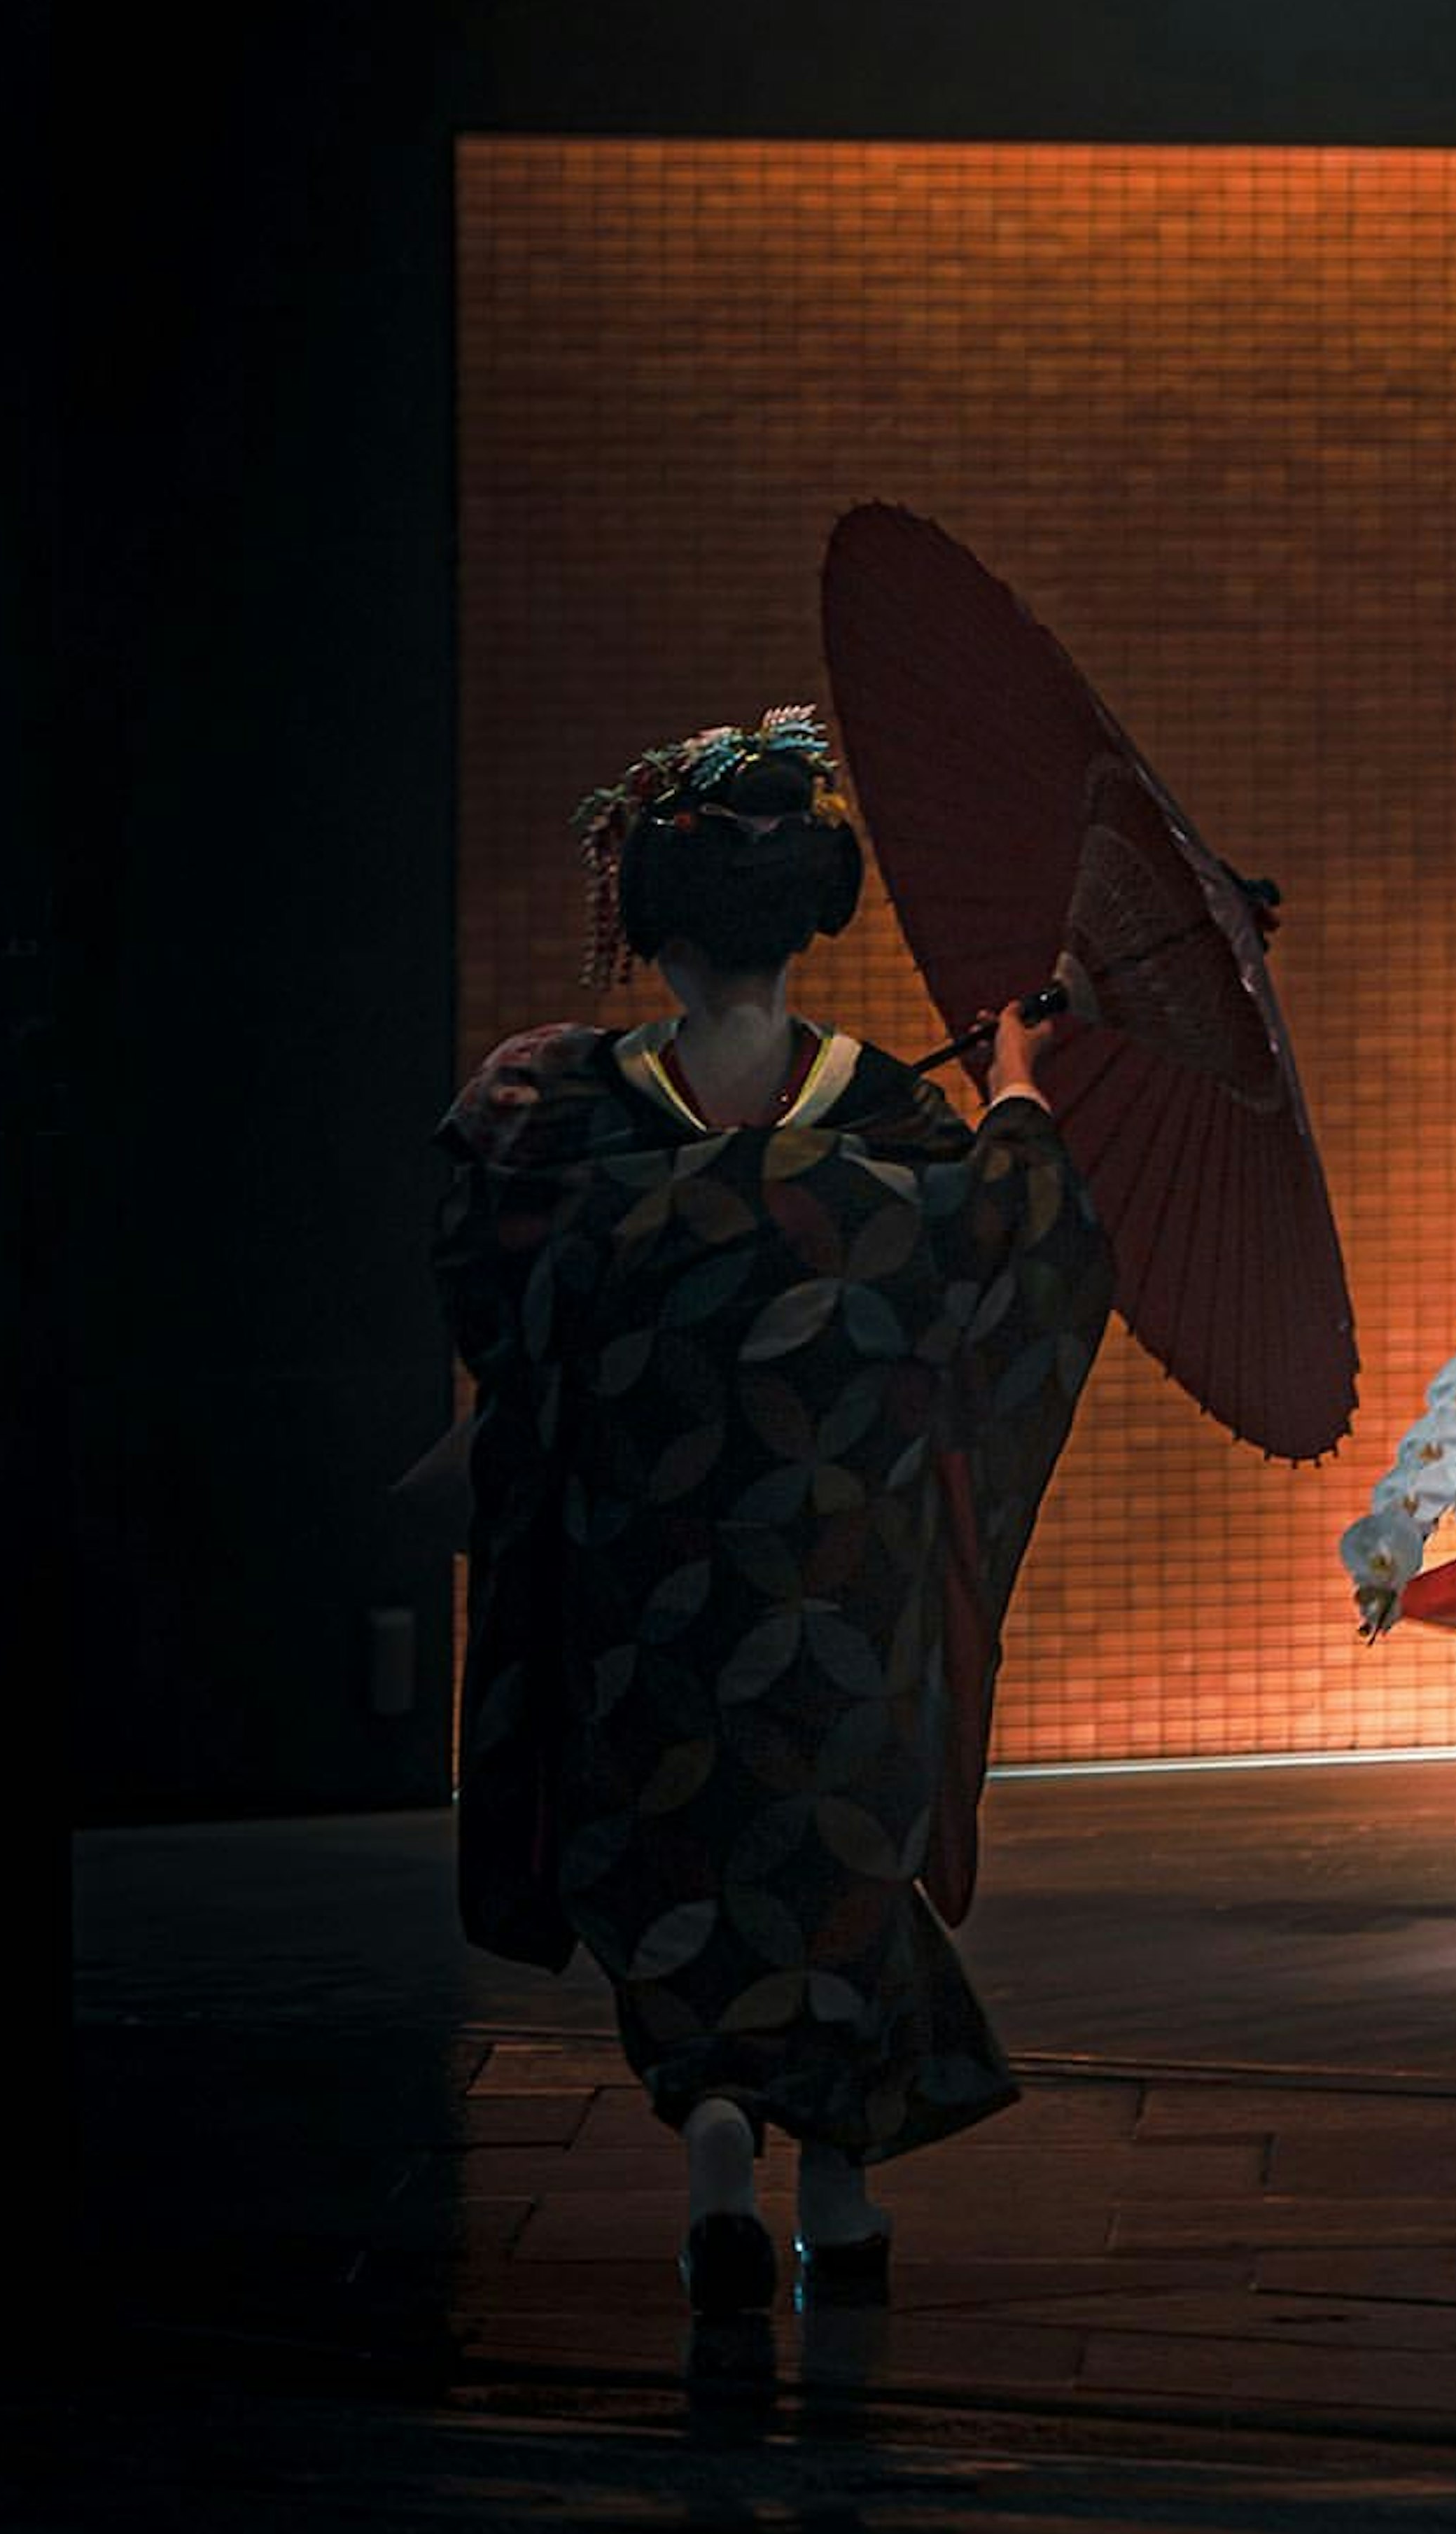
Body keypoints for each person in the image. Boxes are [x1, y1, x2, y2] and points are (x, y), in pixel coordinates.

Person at [432, 705, 1111, 2314]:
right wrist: (1017, 1084)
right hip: (841, 1595)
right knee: (833, 1868)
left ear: (655, 928)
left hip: (644, 1594)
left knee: (675, 1857)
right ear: (816, 914)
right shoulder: (888, 1123)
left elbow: (491, 1291)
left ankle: (720, 2159)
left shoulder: (555, 1122)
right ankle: (846, 2196)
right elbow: (1012, 1250)